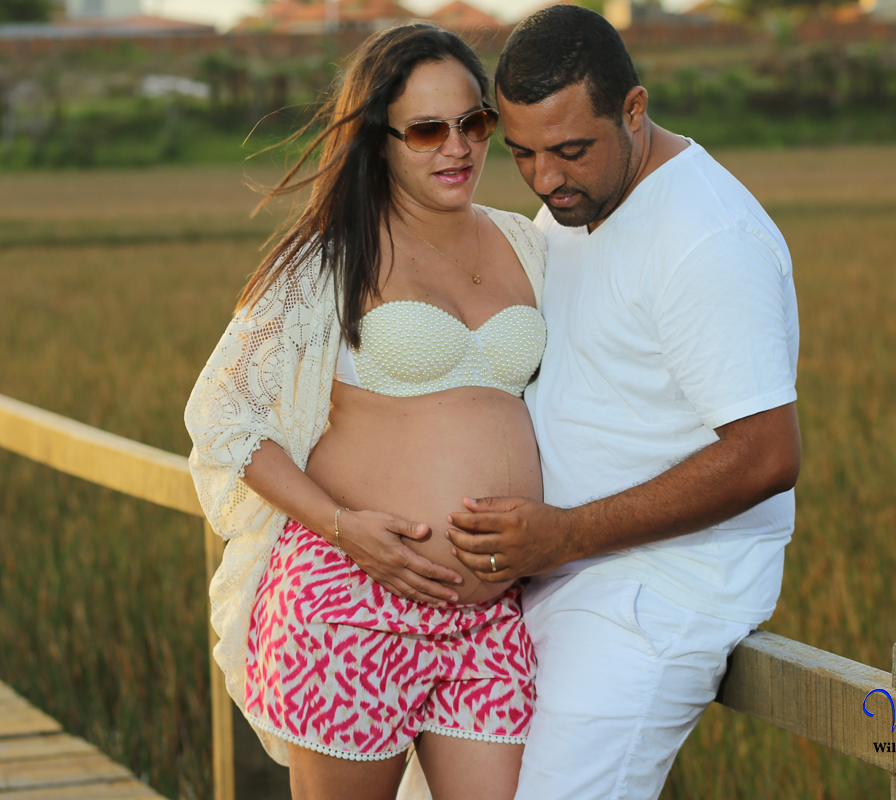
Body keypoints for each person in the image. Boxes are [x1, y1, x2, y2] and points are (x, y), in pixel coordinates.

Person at [419, 6, 801, 800]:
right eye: (522, 152)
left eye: (569, 150)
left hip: (656, 591)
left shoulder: (706, 238)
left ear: (633, 110)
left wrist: (564, 534)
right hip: (545, 572)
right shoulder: (575, 201)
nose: (544, 178)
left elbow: (765, 456)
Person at [184, 23, 547, 800]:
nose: (457, 147)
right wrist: (343, 527)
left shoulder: (527, 243)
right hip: (349, 604)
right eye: (426, 130)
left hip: (488, 618)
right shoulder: (328, 258)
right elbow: (223, 414)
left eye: (473, 121)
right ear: (377, 138)